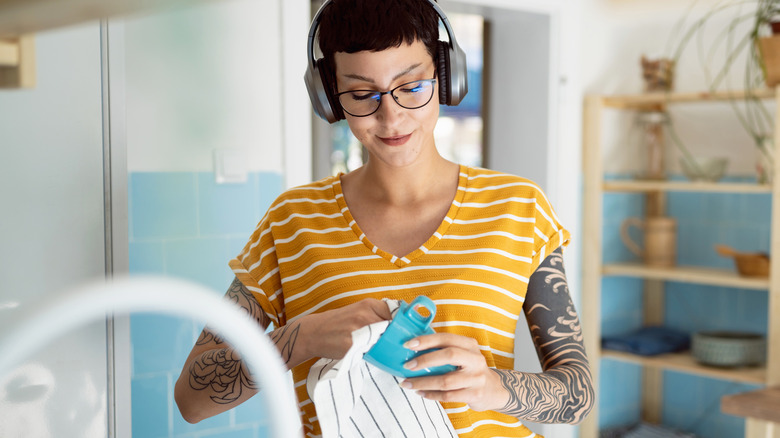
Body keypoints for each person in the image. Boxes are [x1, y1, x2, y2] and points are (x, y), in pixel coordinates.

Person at [174, 0, 594, 436]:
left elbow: (577, 396)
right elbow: (190, 399)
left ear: (447, 77)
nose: (391, 117)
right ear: (329, 97)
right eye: (360, 95)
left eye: (411, 86)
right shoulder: (291, 222)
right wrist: (303, 337)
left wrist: (492, 386)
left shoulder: (519, 207)